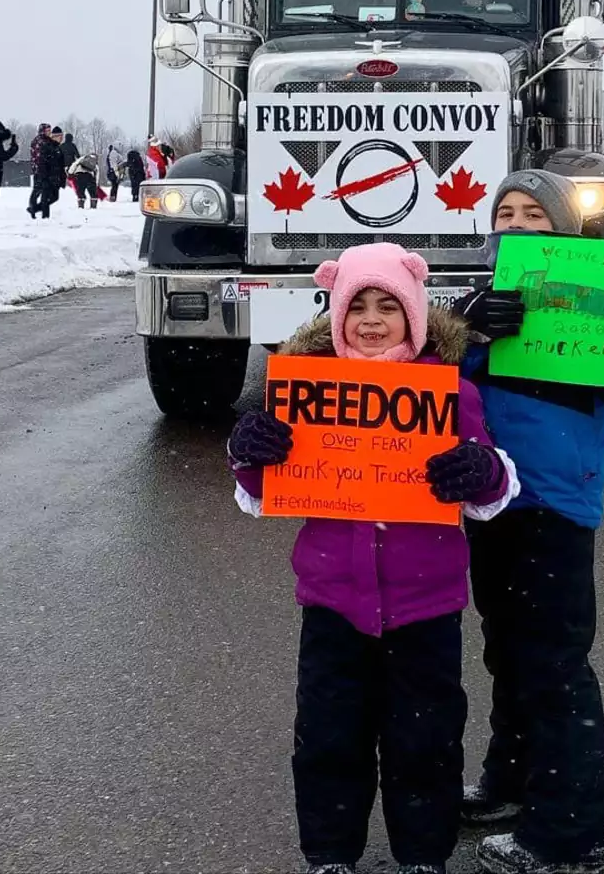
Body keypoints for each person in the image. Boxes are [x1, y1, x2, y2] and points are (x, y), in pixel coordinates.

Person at [226, 243, 516, 874]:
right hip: (333, 602)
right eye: (358, 306)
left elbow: (495, 491)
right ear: (337, 316)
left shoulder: (451, 391)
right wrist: (250, 452)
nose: (372, 320)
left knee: (426, 741)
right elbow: (258, 489)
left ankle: (421, 854)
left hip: (425, 605)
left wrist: (481, 470)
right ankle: (331, 853)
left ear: (414, 315)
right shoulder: (306, 389)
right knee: (330, 737)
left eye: (389, 306)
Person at [454, 169, 604, 874]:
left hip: (558, 504)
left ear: (563, 229)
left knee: (554, 663)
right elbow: (439, 393)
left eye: (534, 213)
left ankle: (570, 834)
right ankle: (513, 781)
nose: (517, 222)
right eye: (506, 211)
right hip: (487, 503)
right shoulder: (477, 303)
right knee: (508, 649)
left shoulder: (603, 304)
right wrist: (469, 341)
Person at [31, 125, 68, 219]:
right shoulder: (46, 145)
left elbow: (60, 165)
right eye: (60, 136)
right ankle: (44, 217)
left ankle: (34, 209)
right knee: (43, 196)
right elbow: (42, 162)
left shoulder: (58, 148)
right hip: (47, 176)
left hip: (55, 177)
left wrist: (62, 178)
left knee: (54, 197)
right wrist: (44, 176)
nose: (62, 138)